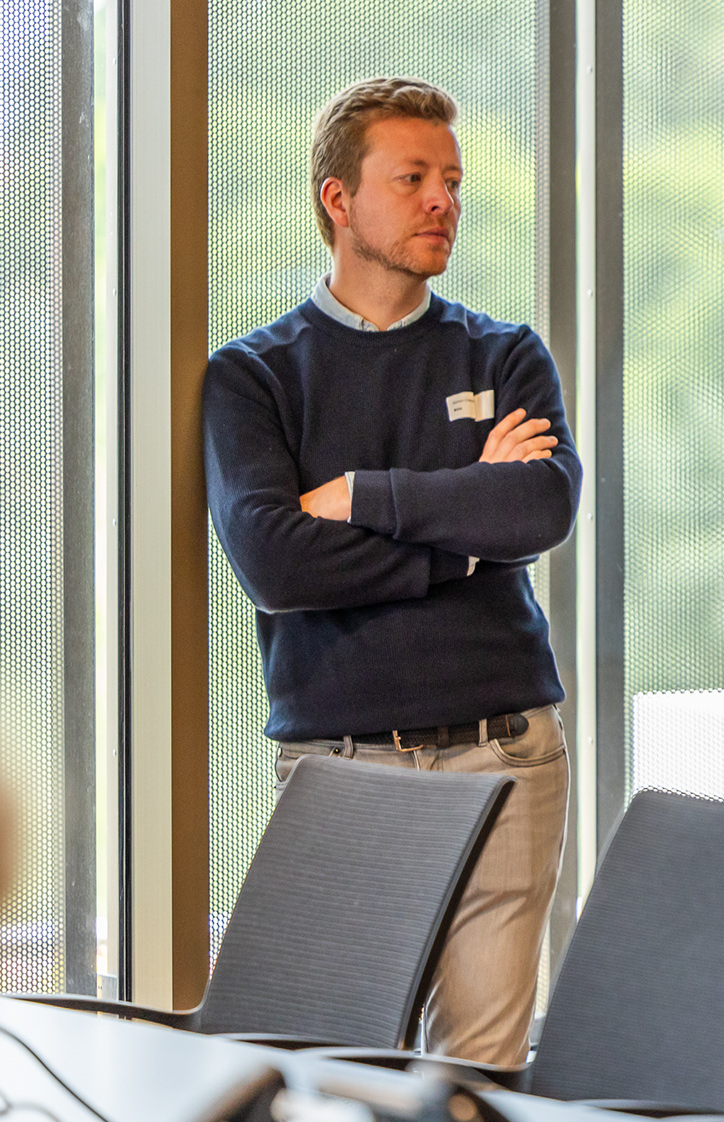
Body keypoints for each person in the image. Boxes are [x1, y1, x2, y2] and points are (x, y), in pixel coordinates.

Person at [203, 78, 581, 1067]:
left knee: (475, 1080)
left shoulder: (505, 354)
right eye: (412, 178)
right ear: (338, 198)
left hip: (508, 757)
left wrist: (360, 494)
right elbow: (277, 563)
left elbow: (539, 509)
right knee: (333, 1075)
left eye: (452, 180)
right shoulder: (253, 376)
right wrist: (467, 530)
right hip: (342, 765)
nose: (442, 200)